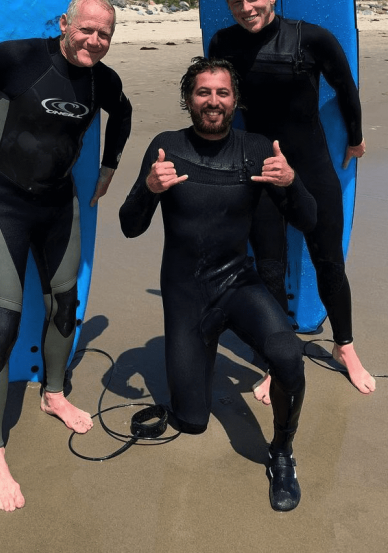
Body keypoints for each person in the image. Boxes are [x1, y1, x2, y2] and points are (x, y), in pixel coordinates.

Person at [0, 0, 132, 512]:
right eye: (86, 30)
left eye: (104, 35)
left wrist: (108, 166)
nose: (94, 41)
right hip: (4, 205)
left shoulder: (100, 80)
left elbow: (124, 112)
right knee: (4, 323)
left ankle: (55, 392)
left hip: (59, 206)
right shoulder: (15, 58)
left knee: (66, 305)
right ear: (65, 24)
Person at [119, 57, 316, 511]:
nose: (213, 101)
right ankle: (196, 366)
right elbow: (130, 226)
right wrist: (149, 188)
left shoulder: (257, 148)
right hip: (185, 294)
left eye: (222, 93)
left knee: (288, 354)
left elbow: (308, 218)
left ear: (235, 100)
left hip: (236, 283)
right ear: (188, 99)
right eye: (203, 92)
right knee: (192, 421)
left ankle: (282, 454)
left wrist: (290, 182)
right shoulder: (166, 146)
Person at [208, 0, 374, 399]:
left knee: (328, 261)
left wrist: (355, 140)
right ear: (228, 4)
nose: (247, 7)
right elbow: (220, 104)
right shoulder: (222, 43)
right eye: (237, 1)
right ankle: (278, 357)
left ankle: (345, 348)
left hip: (312, 166)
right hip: (259, 168)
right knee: (269, 268)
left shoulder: (312, 38)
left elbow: (345, 90)